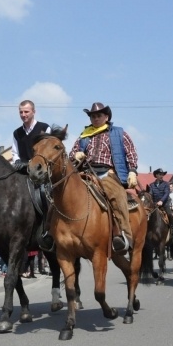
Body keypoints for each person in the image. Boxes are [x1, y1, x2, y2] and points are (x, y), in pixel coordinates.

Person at [70, 102, 138, 253]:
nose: (95, 118)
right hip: (85, 172)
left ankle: (124, 235)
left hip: (107, 173)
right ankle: (52, 232)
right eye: (93, 116)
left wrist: (132, 170)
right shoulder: (84, 135)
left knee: (118, 196)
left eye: (98, 115)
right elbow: (71, 154)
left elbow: (131, 153)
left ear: (106, 117)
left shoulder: (118, 133)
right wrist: (76, 155)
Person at [11, 99, 53, 250]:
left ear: (33, 112)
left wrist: (34, 164)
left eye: (26, 111)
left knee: (43, 193)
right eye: (21, 112)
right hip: (24, 172)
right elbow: (15, 155)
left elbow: (48, 151)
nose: (23, 115)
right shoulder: (17, 133)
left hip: (41, 174)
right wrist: (19, 164)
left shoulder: (44, 128)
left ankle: (48, 228)